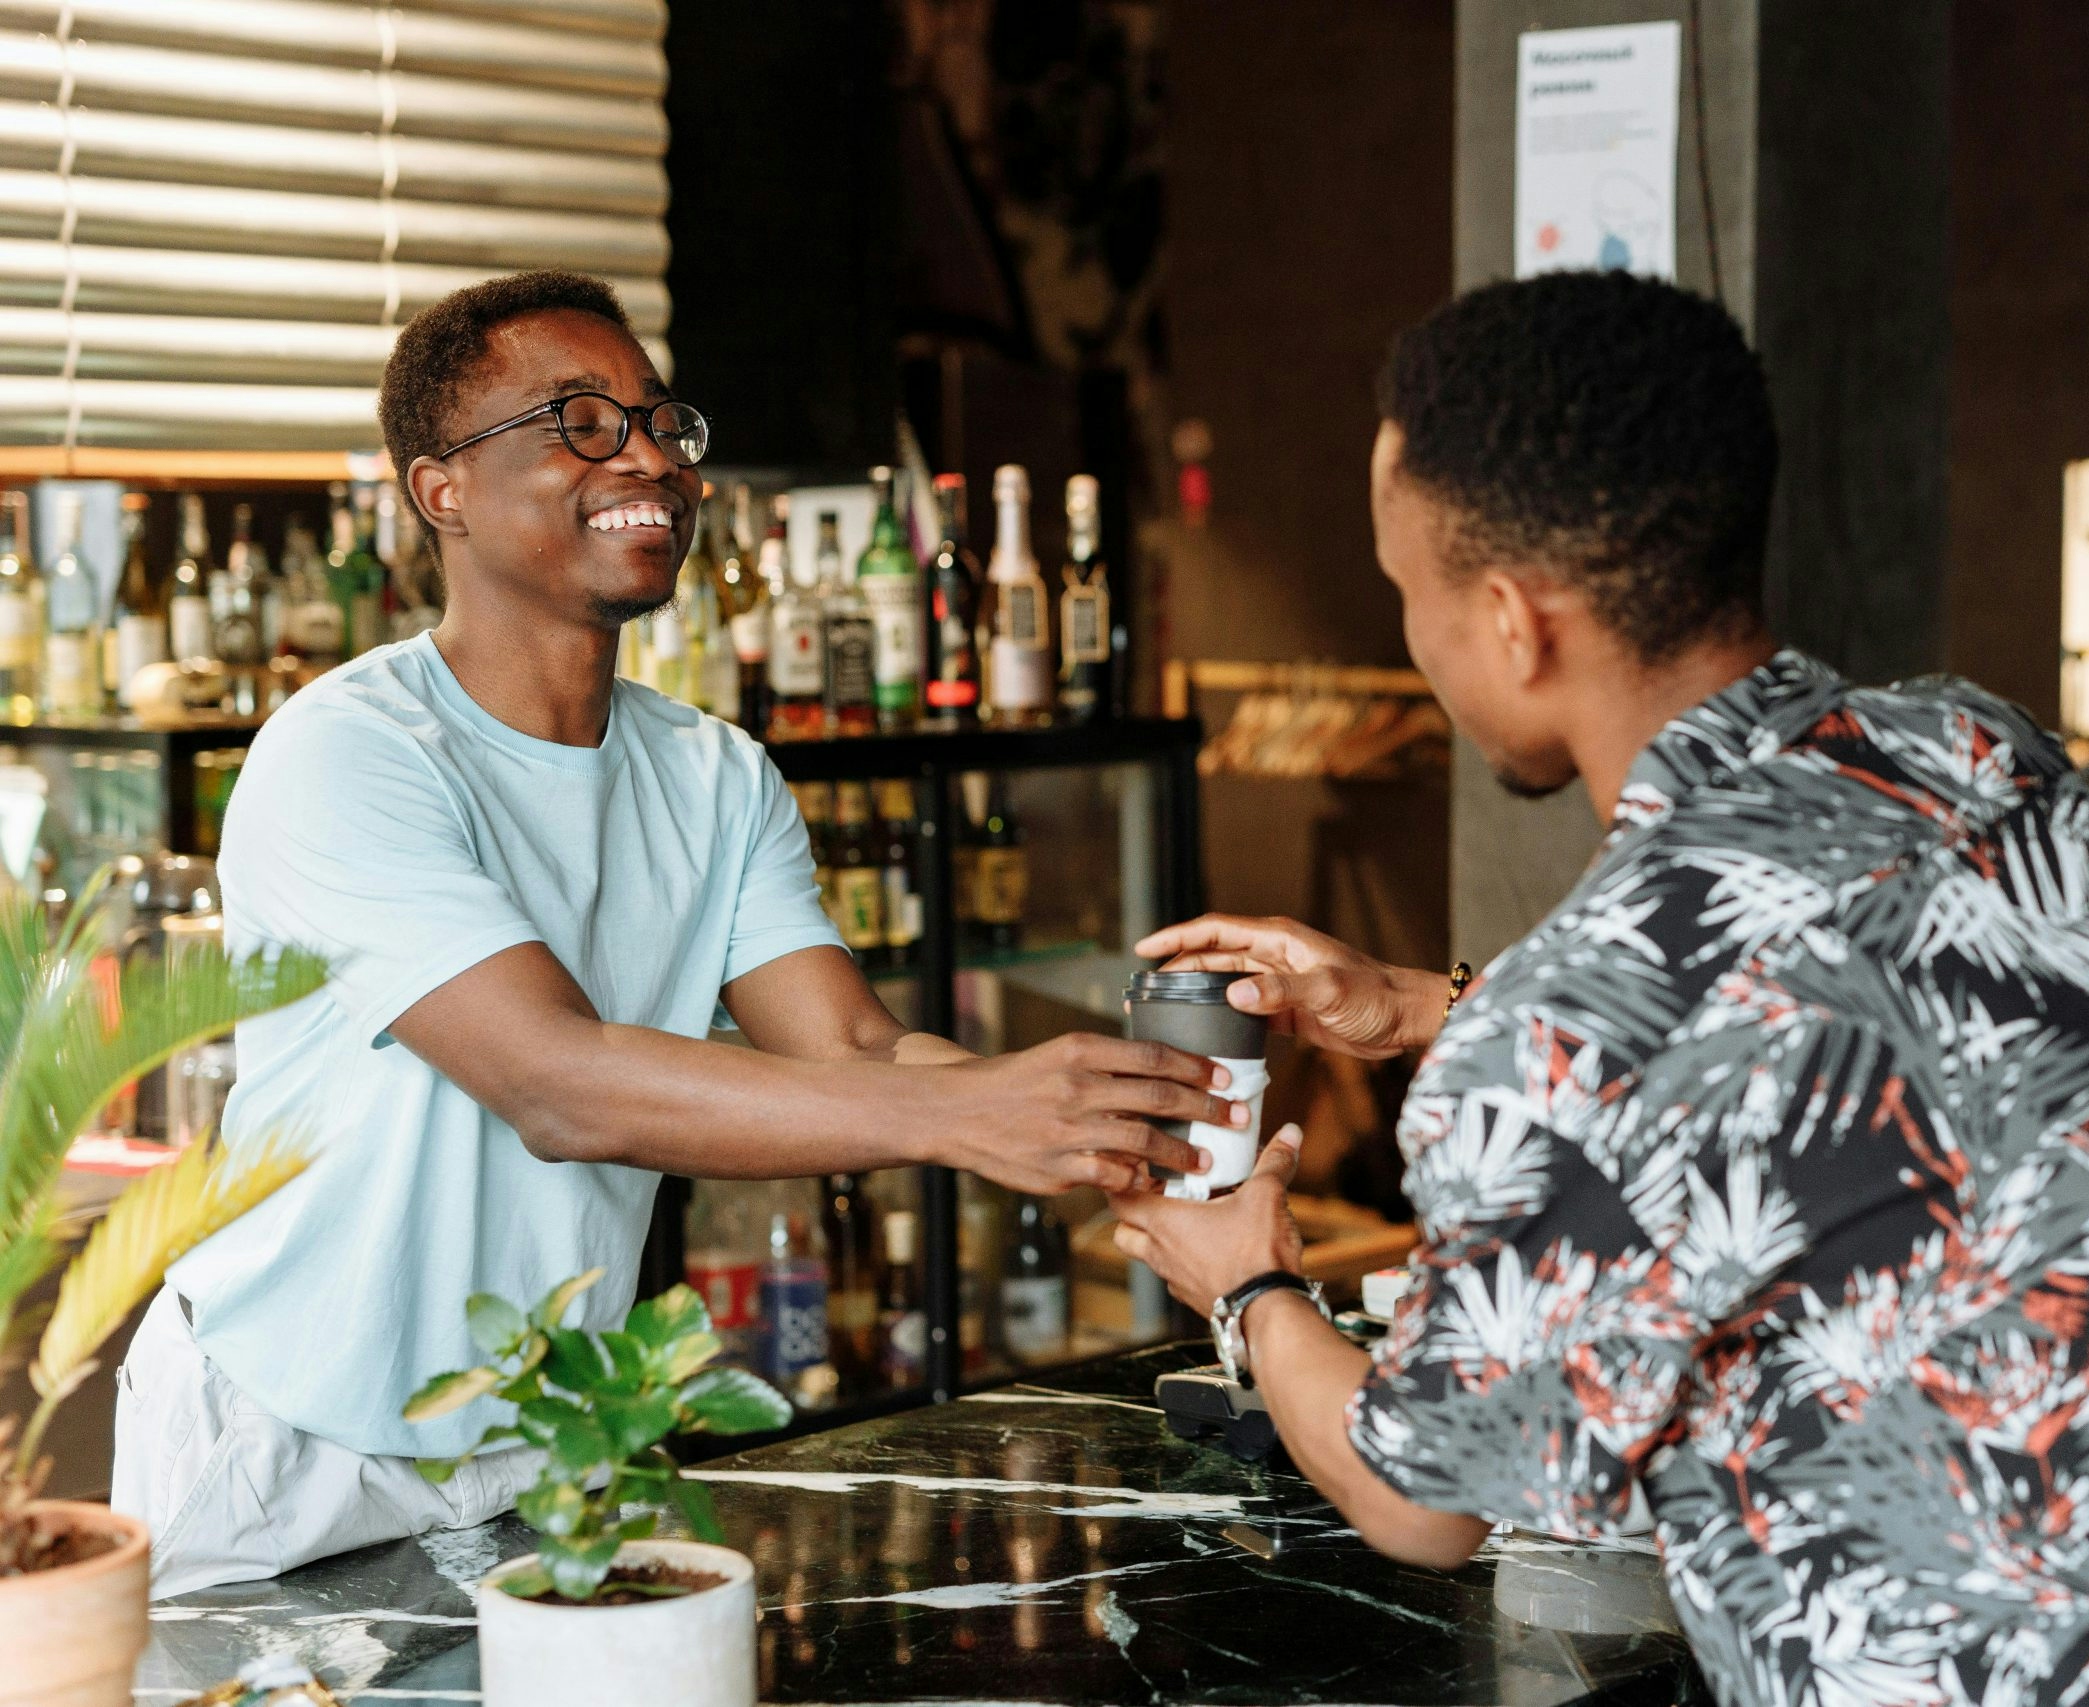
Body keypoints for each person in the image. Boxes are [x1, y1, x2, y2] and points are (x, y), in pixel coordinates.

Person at [1111, 272, 2089, 1705]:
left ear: (1514, 623)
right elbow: (1806, 1024)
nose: (1412, 632)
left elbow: (1426, 1495)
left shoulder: (1579, 1022)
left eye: (1408, 591)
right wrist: (1421, 1006)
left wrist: (1249, 1286)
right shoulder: (1986, 758)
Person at [113, 270, 1243, 1597]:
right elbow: (559, 1083)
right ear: (442, 491)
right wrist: (969, 1114)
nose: (648, 457)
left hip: (545, 1435)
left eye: (658, 420)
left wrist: (1095, 1119)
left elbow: (854, 1049)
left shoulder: (717, 776)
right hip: (283, 1437)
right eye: (580, 424)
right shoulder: (349, 753)